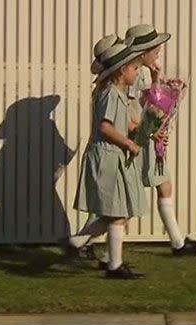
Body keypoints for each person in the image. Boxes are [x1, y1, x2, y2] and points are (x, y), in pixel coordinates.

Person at [125, 24, 196, 257]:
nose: (159, 51)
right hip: (138, 139)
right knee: (123, 199)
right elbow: (135, 107)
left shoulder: (145, 71)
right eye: (155, 48)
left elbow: (153, 99)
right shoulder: (134, 72)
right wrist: (149, 129)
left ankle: (178, 242)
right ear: (143, 51)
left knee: (164, 184)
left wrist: (163, 84)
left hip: (149, 139)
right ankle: (81, 243)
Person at [73, 39, 148, 279]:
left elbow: (121, 123)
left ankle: (106, 259)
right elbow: (105, 127)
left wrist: (143, 129)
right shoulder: (109, 94)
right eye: (134, 68)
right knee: (115, 213)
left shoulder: (116, 95)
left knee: (117, 213)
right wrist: (127, 143)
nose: (137, 72)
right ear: (121, 70)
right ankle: (96, 254)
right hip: (107, 158)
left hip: (113, 156)